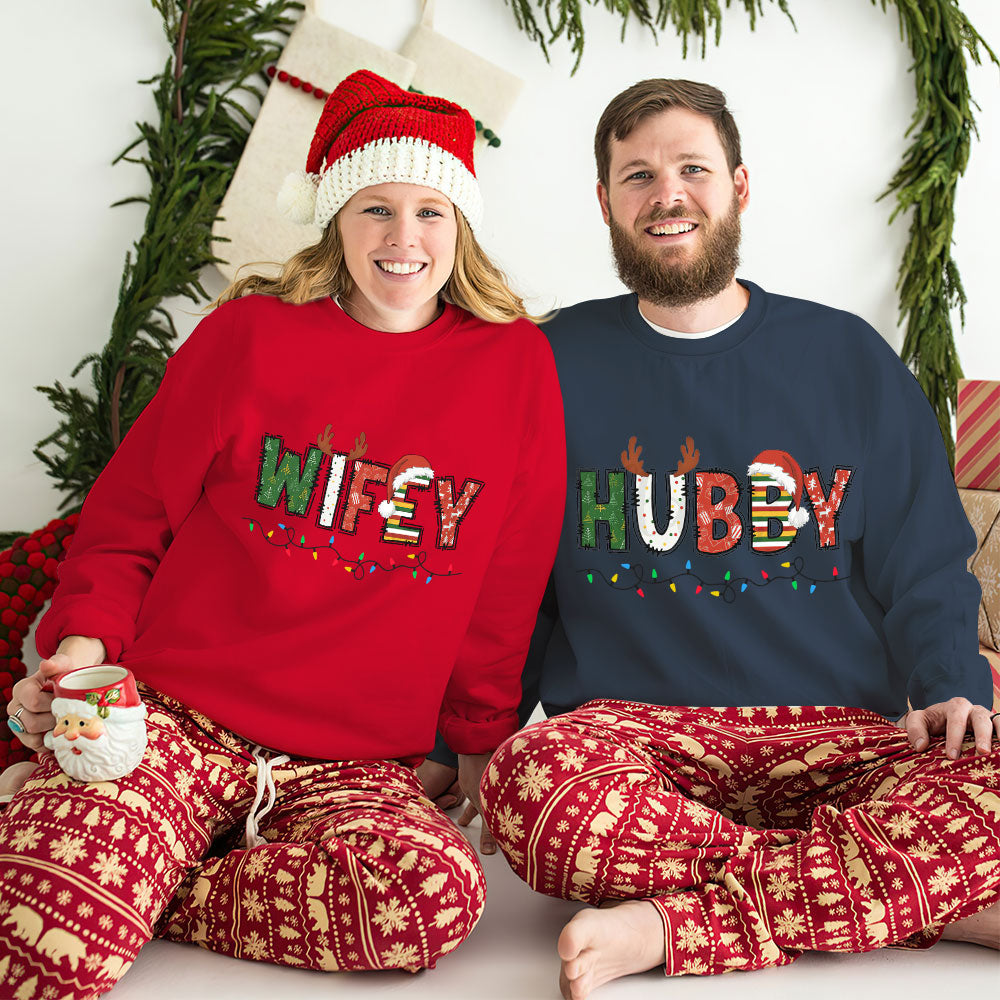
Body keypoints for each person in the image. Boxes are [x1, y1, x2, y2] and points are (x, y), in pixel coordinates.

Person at [0, 69, 564, 998]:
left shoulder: (514, 366)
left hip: (355, 757)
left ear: (460, 226)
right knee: (40, 943)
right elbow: (128, 521)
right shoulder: (249, 336)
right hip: (175, 719)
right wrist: (83, 652)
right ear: (337, 218)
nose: (403, 239)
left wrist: (474, 740)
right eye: (375, 208)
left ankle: (155, 883)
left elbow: (505, 583)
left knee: (432, 899)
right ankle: (112, 858)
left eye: (431, 211)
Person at [465, 79, 998, 997]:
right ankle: (910, 894)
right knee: (532, 790)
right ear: (604, 203)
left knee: (989, 779)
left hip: (840, 738)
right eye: (637, 175)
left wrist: (951, 680)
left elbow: (925, 558)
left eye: (692, 169)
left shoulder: (848, 357)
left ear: (739, 188)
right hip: (633, 741)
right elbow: (513, 580)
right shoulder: (542, 362)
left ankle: (676, 925)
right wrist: (474, 735)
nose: (666, 194)